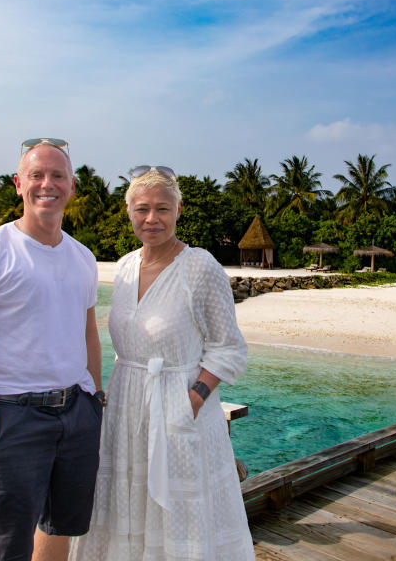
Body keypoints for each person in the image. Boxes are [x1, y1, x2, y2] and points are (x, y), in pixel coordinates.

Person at [70, 166, 254, 560]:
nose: (151, 218)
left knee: (181, 512)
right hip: (125, 409)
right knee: (127, 506)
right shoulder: (122, 269)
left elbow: (228, 347)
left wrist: (194, 398)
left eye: (162, 209)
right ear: (128, 212)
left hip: (179, 406)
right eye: (142, 209)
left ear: (178, 210)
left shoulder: (200, 267)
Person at [0, 138, 105, 561]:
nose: (46, 184)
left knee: (59, 527)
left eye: (57, 176)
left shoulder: (83, 258)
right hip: (10, 416)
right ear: (18, 184)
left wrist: (94, 401)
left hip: (76, 413)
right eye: (36, 175)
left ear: (71, 186)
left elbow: (88, 334)